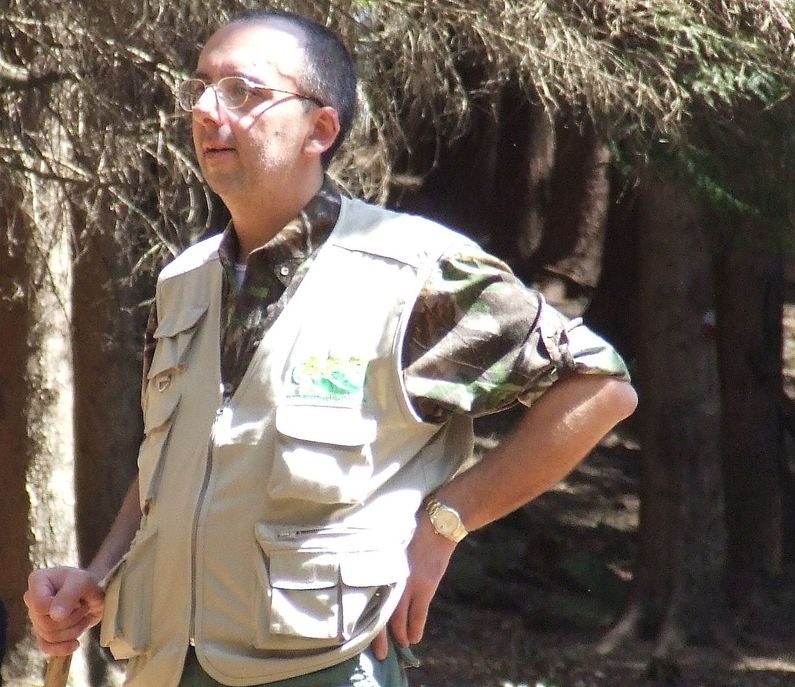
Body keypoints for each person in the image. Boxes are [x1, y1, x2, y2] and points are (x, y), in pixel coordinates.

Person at [24, 9, 637, 687]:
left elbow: (600, 388)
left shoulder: (413, 271)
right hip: (165, 664)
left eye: (241, 91)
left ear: (320, 129)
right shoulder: (184, 282)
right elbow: (170, 465)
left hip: (322, 664)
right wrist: (96, 577)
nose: (204, 109)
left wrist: (446, 522)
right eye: (200, 87)